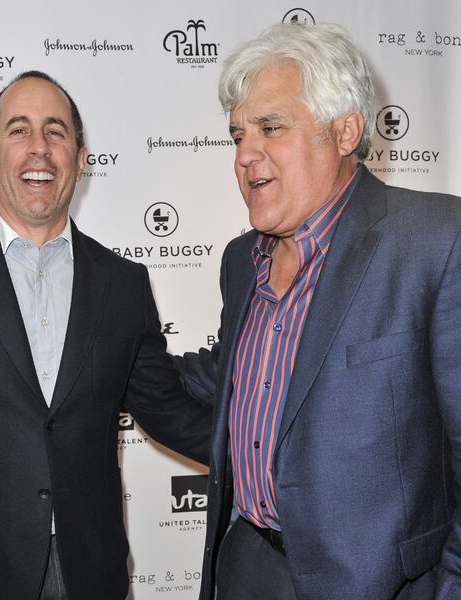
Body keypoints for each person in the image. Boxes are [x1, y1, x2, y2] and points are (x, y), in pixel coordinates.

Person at [0, 71, 211, 600]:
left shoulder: (123, 283)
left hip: (91, 574)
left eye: (56, 131)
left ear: (82, 156)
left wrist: (276, 455)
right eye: (18, 131)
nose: (39, 149)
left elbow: (170, 412)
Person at [176, 22, 461, 599]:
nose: (244, 154)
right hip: (246, 568)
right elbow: (233, 385)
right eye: (237, 135)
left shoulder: (436, 240)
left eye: (271, 128)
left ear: (346, 130)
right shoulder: (240, 261)